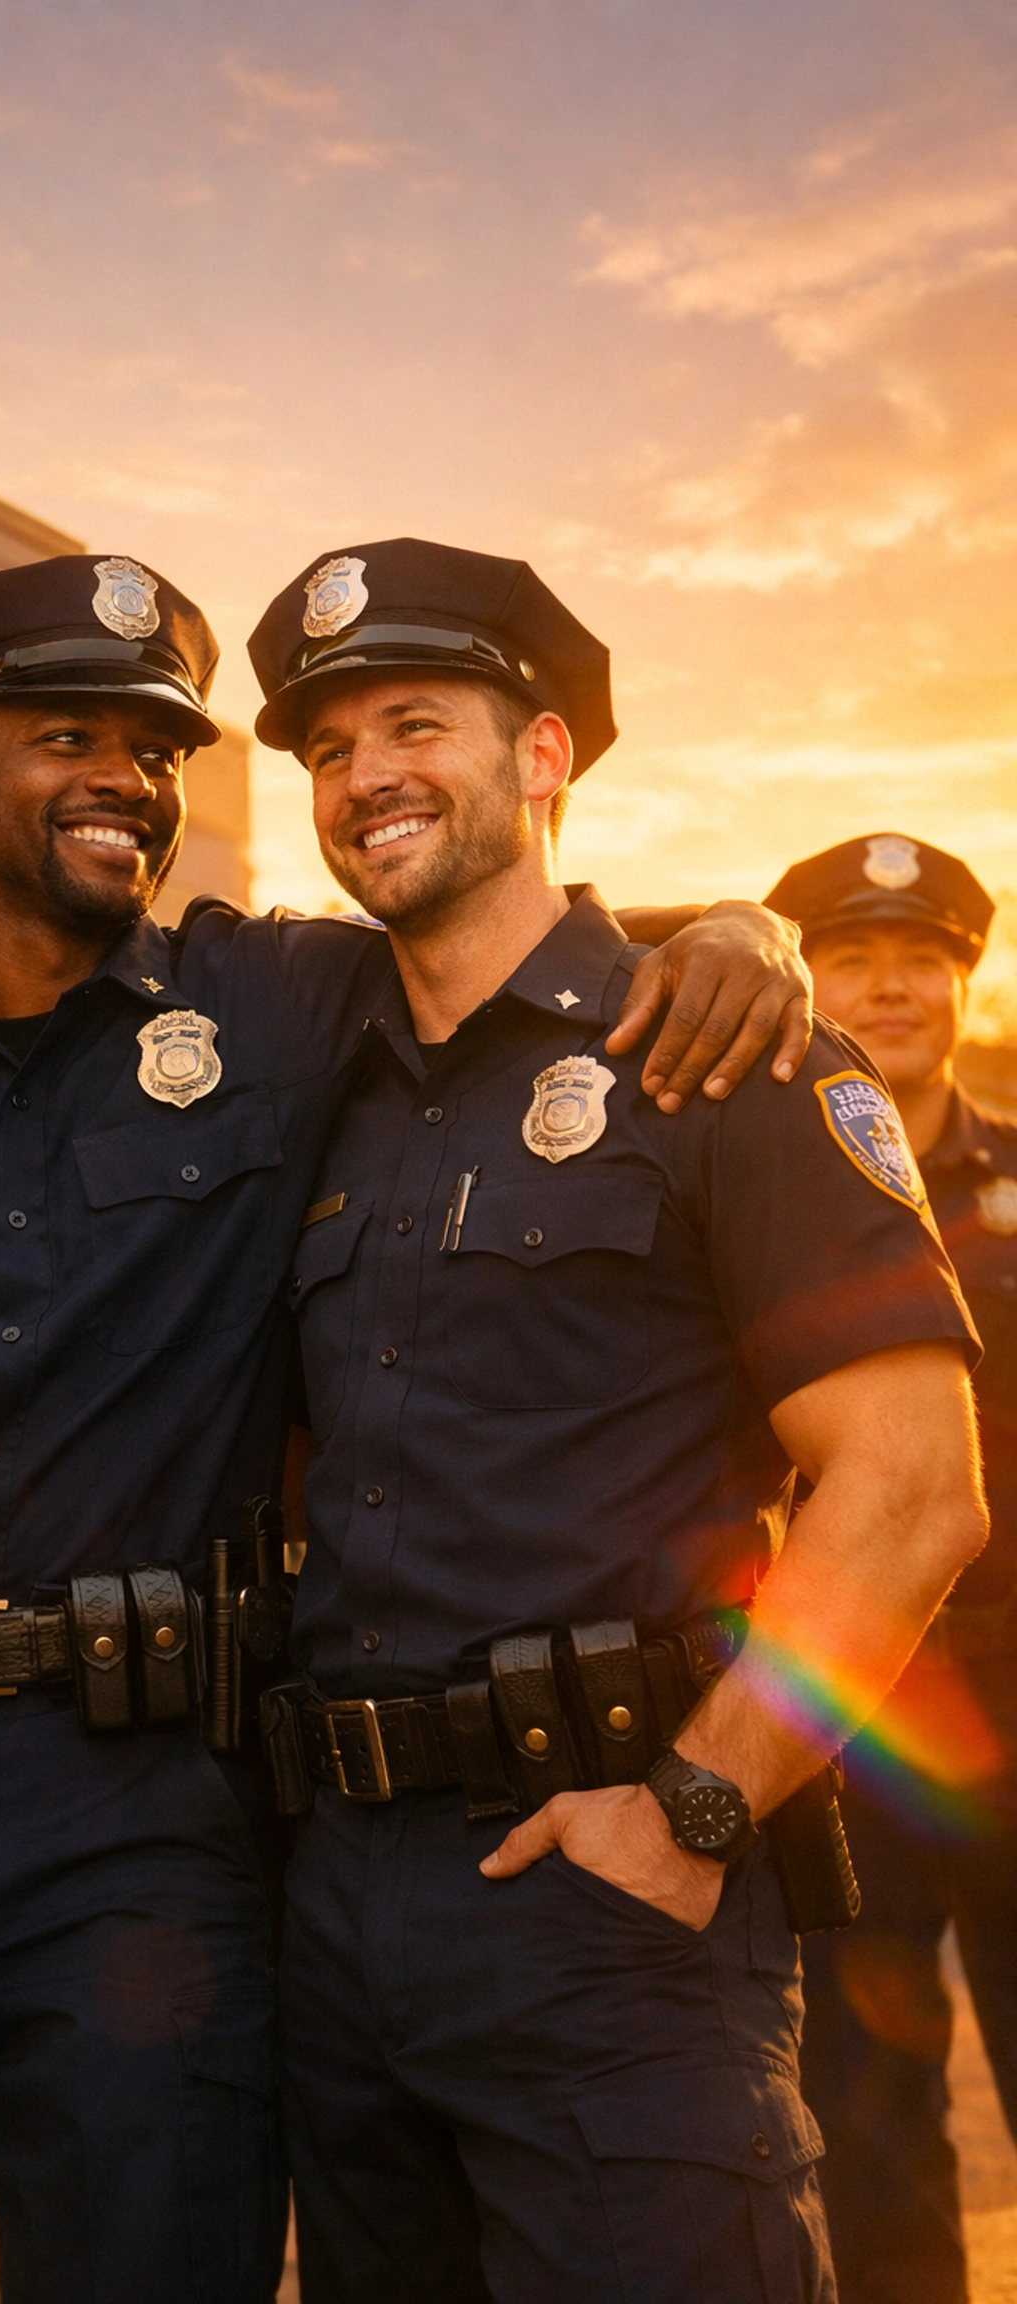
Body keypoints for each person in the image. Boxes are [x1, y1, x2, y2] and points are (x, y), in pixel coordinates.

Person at [0, 553, 813, 2304]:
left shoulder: (277, 1004)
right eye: (67, 736)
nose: (124, 777)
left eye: (155, 748)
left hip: (145, 1829)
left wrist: (739, 929)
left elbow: (516, 940)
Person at [243, 540, 988, 2304]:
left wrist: (697, 1808)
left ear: (547, 757)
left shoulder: (727, 1059)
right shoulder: (319, 1083)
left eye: (414, 722)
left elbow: (910, 1492)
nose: (366, 779)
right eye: (329, 749)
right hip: (340, 1903)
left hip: (615, 1900)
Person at [765, 835, 1017, 2304]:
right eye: (852, 958)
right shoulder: (760, 1187)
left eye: (918, 957)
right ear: (808, 982)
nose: (890, 986)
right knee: (867, 2117)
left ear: (963, 977)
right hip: (852, 1718)